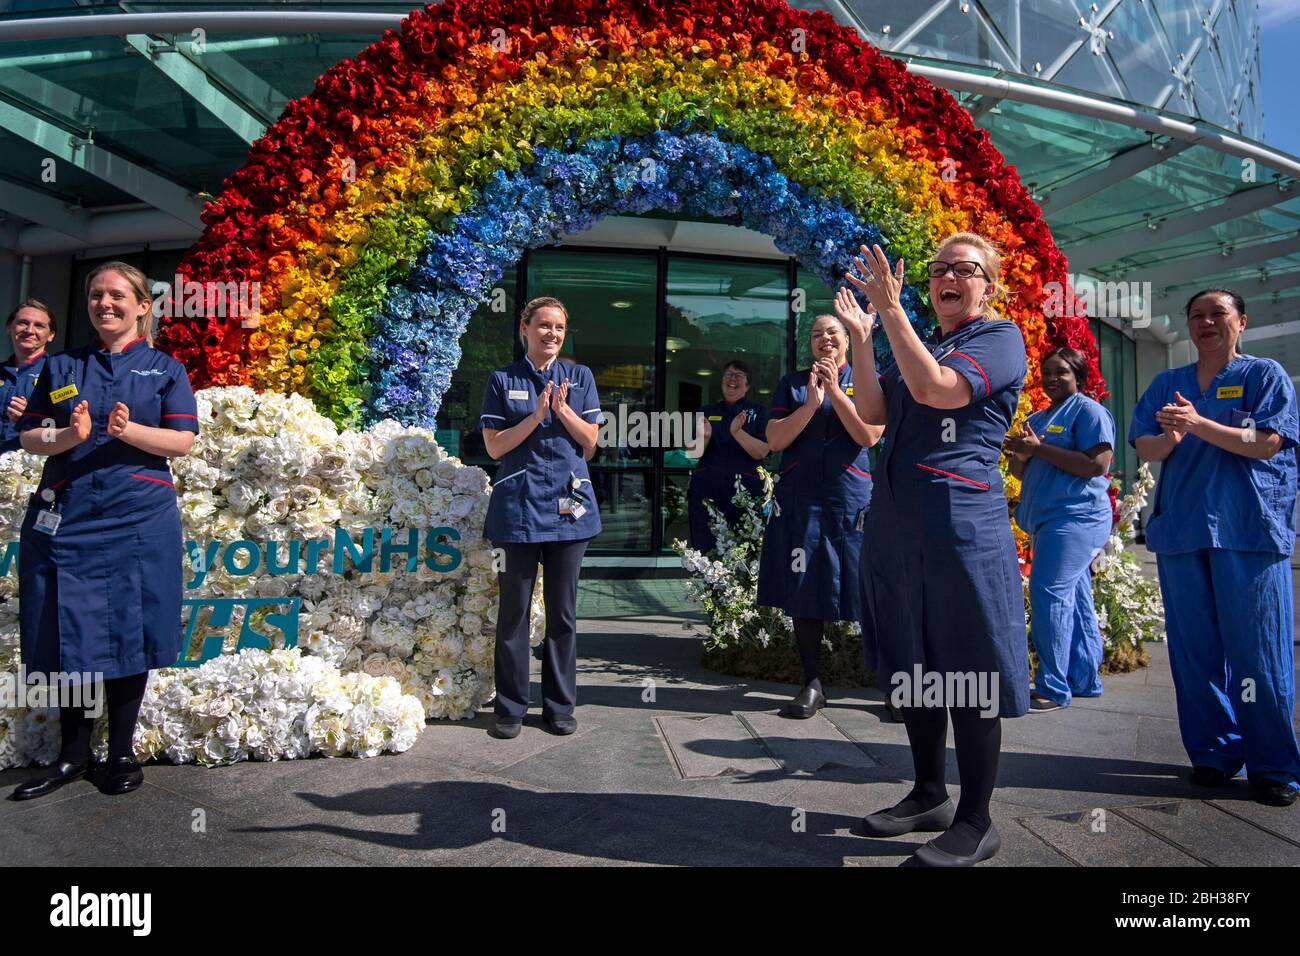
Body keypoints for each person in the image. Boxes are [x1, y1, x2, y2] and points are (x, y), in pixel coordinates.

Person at [844, 232, 1029, 866]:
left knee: (967, 665)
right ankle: (928, 794)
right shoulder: (923, 340)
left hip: (959, 526)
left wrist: (892, 313)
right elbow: (873, 413)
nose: (949, 276)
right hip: (898, 525)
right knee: (915, 662)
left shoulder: (998, 339)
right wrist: (865, 338)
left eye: (965, 268)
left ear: (989, 283)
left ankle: (977, 821)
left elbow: (938, 392)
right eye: (939, 268)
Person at [11, 261, 198, 800]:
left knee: (130, 631)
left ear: (142, 305)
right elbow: (30, 437)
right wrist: (68, 433)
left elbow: (182, 442)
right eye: (96, 295)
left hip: (138, 518)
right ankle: (73, 755)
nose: (104, 303)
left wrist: (128, 430)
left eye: (117, 295)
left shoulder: (165, 369)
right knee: (67, 631)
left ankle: (119, 752)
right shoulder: (63, 365)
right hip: (67, 519)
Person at [1131, 287, 1300, 808]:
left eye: (1217, 314)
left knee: (1258, 652)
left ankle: (1274, 765)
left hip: (1248, 529)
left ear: (1241, 322)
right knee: (1193, 652)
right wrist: (1172, 440)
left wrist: (1199, 424)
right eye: (1197, 316)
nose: (1206, 322)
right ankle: (1213, 753)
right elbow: (1145, 445)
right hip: (1184, 530)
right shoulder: (1168, 383)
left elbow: (1268, 442)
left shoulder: (1262, 376)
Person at [480, 296, 602, 740]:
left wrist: (563, 410)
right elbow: (495, 447)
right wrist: (535, 416)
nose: (552, 333)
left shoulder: (580, 377)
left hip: (569, 510)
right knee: (513, 612)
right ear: (525, 329)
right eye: (544, 325)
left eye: (560, 328)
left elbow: (590, 441)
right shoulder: (502, 379)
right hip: (517, 511)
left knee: (563, 614)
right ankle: (511, 707)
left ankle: (559, 707)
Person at [756, 313, 882, 719]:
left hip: (850, 499)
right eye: (816, 334)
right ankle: (812, 684)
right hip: (802, 499)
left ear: (847, 340)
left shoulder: (865, 379)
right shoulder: (792, 384)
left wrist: (836, 393)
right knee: (805, 587)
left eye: (832, 333)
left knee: (871, 589)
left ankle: (892, 686)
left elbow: (869, 434)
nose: (824, 339)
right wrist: (811, 403)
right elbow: (774, 439)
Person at [1006, 347, 1115, 712]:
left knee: (1048, 593)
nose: (1051, 378)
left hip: (1075, 519)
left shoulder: (1090, 412)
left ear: (1079, 377)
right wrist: (1023, 455)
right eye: (1046, 372)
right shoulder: (1037, 419)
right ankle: (1084, 679)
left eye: (1061, 372)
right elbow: (1022, 473)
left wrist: (1040, 449)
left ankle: (1052, 687)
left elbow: (1096, 464)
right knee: (1077, 598)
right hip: (1046, 520)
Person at [687, 359, 769, 554]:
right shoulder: (707, 412)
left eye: (738, 375)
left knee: (745, 551)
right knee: (706, 549)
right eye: (728, 374)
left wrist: (737, 432)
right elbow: (692, 453)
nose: (732, 379)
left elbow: (762, 451)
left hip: (745, 495)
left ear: (747, 385)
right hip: (707, 493)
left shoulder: (758, 412)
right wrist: (704, 437)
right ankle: (709, 585)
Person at [1, 299, 57, 455]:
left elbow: (69, 429)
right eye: (23, 323)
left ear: (51, 335)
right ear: (9, 327)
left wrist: (32, 417)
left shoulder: (59, 374)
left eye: (39, 325)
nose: (29, 330)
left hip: (30, 468)